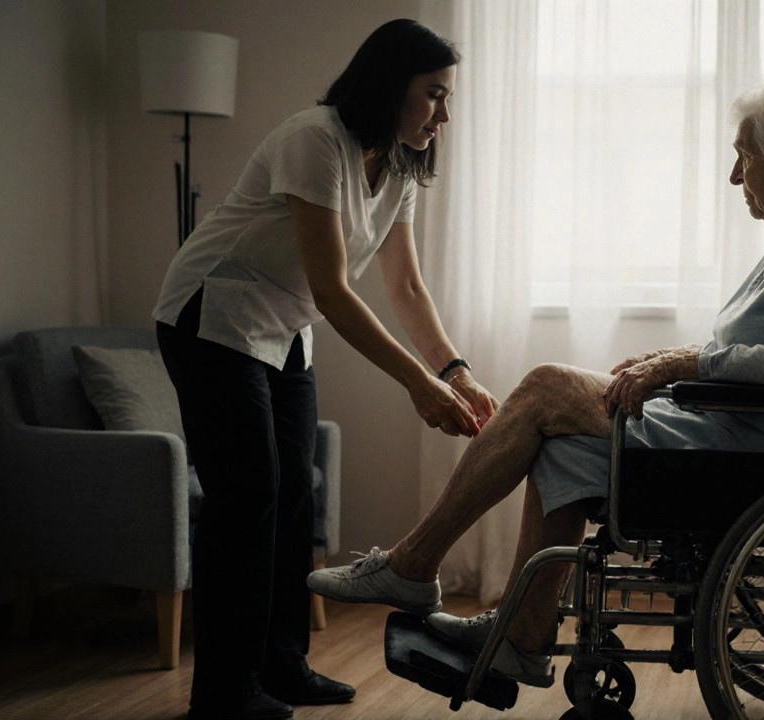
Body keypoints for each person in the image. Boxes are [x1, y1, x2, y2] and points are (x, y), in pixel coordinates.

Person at [307, 74, 764, 689]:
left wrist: (682, 367)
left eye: (745, 156)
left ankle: (413, 563)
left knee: (545, 386)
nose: (735, 176)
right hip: (741, 424)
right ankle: (523, 636)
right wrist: (678, 358)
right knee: (561, 445)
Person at [154, 19, 499, 720]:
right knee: (247, 497)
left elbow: (404, 287)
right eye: (433, 95)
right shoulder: (313, 140)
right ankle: (223, 693)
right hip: (214, 316)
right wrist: (417, 383)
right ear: (389, 84)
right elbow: (338, 289)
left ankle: (281, 665)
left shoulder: (399, 162)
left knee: (294, 501)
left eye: (448, 98)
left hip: (286, 331)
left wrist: (454, 369)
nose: (444, 114)